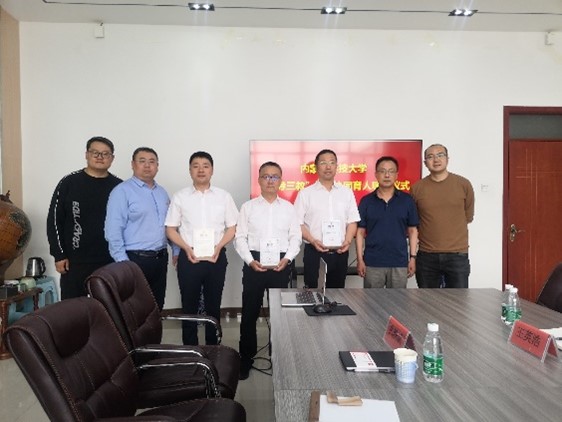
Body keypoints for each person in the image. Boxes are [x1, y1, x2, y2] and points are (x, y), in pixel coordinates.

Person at [234, 161, 302, 380]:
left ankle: (279, 357)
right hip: (254, 263)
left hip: (281, 264)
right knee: (249, 314)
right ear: (259, 180)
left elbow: (296, 238)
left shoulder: (289, 208)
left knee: (280, 316)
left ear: (280, 180)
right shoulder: (248, 207)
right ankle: (246, 358)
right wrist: (249, 261)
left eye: (275, 177)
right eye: (266, 176)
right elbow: (239, 238)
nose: (270, 181)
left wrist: (287, 259)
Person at [165, 151, 238, 346]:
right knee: (189, 306)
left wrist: (219, 246)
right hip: (189, 257)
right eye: (196, 166)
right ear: (190, 170)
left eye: (205, 166)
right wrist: (186, 248)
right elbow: (170, 229)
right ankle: (190, 350)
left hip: (216, 257)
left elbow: (233, 227)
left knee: (213, 305)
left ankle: (213, 348)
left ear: (212, 170)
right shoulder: (180, 197)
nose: (201, 170)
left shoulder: (223, 197)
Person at [47, 136, 122, 299]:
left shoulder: (119, 187)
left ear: (112, 158)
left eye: (105, 154)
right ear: (86, 154)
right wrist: (59, 255)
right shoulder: (69, 183)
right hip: (75, 260)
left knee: (108, 306)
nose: (100, 157)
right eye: (95, 152)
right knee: (73, 308)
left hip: (110, 259)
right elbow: (54, 220)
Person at [104, 147, 172, 309]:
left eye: (152, 162)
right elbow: (113, 231)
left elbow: (169, 225)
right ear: (133, 164)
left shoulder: (162, 193)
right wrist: (124, 264)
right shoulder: (121, 191)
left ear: (157, 166)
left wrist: (176, 251)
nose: (147, 165)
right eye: (142, 161)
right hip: (134, 259)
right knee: (135, 309)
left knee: (156, 306)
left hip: (160, 259)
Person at [411, 144, 475, 288]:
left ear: (447, 159)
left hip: (457, 255)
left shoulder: (463, 184)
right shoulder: (417, 188)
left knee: (457, 300)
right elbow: (415, 220)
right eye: (430, 157)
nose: (436, 160)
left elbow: (468, 216)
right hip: (427, 256)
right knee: (428, 300)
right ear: (425, 163)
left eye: (440, 155)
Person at [294, 149, 360, 288]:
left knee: (337, 294)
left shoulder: (346, 193)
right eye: (323, 163)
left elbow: (352, 221)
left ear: (337, 166)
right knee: (313, 293)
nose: (328, 167)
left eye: (332, 162)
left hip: (340, 253)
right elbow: (297, 223)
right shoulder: (305, 194)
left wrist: (348, 241)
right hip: (314, 252)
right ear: (316, 167)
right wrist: (313, 241)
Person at [356, 156, 419, 288]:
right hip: (372, 262)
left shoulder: (407, 200)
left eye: (391, 171)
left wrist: (412, 258)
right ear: (376, 175)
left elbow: (413, 231)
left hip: (399, 262)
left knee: (397, 300)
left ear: (396, 175)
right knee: (371, 300)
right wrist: (360, 260)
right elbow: (360, 232)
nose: (387, 175)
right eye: (382, 171)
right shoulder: (366, 201)